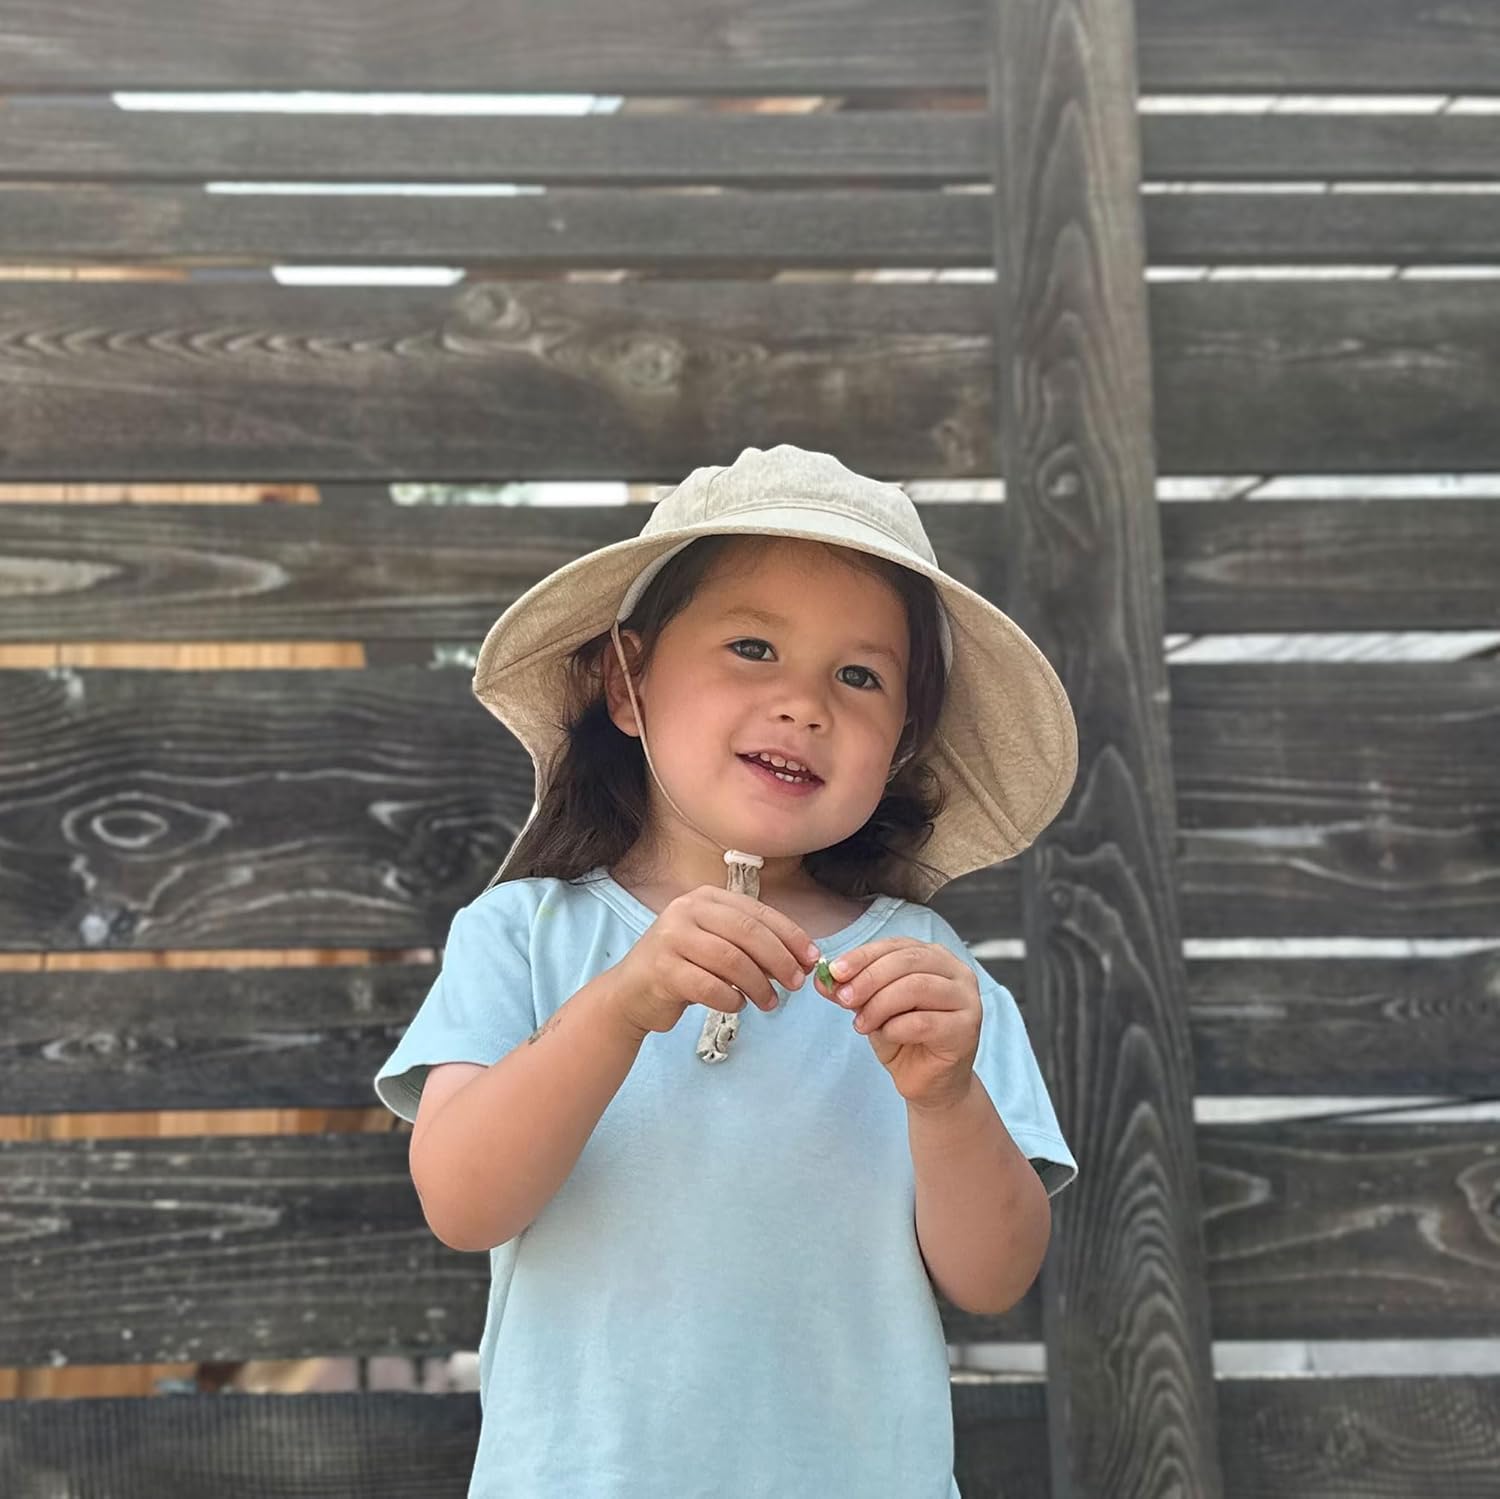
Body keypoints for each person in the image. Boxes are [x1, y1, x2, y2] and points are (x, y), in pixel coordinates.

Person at [373, 444, 1080, 1498]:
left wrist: (945, 1098)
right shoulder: (523, 933)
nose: (805, 704)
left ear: (901, 742)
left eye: (860, 675)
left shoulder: (925, 975)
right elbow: (464, 1203)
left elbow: (993, 1275)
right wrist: (621, 1005)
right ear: (626, 681)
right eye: (753, 646)